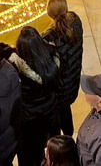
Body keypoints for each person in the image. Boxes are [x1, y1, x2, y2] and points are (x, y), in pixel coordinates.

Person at [6, 26, 60, 166]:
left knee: (29, 152)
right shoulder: (52, 56)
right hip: (50, 110)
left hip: (30, 117)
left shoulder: (18, 67)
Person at [42, 0, 84, 137]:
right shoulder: (76, 21)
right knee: (65, 110)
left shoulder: (50, 38)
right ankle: (69, 135)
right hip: (72, 82)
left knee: (55, 118)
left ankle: (58, 144)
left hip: (58, 89)